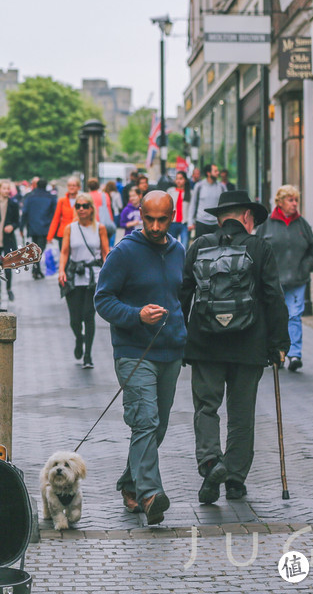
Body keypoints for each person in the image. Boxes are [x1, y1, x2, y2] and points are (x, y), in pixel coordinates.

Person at [180, 190, 289, 505]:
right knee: (242, 414)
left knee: (206, 408)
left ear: (219, 219)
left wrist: (179, 337)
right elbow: (273, 297)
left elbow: (184, 292)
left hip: (204, 343)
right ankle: (234, 477)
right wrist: (279, 343)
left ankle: (212, 462)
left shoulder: (199, 246)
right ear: (247, 217)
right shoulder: (259, 248)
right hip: (248, 345)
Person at [95, 191, 187, 525]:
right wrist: (136, 315)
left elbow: (183, 296)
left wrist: (184, 335)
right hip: (134, 352)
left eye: (163, 219)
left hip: (171, 350)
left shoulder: (178, 251)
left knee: (156, 425)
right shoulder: (124, 253)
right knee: (145, 420)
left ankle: (129, 483)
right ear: (140, 214)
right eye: (150, 218)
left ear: (172, 215)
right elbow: (102, 300)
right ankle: (150, 495)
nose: (156, 226)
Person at [256, 185, 313, 372]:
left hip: (297, 280)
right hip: (273, 281)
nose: (294, 204)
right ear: (280, 202)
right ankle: (277, 353)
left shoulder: (302, 225)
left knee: (294, 315)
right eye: (291, 200)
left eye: (296, 200)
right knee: (274, 317)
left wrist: (305, 268)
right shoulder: (267, 224)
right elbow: (257, 250)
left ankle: (294, 354)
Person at [59, 193, 110, 368]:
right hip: (74, 276)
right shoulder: (70, 228)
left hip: (93, 276)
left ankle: (88, 355)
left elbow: (105, 252)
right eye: (78, 206)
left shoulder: (100, 228)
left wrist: (107, 271)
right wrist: (61, 271)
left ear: (91, 208)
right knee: (75, 319)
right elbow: (65, 252)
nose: (81, 209)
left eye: (85, 206)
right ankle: (79, 338)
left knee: (89, 316)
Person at [22, 178, 56, 279]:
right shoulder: (50, 197)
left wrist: (21, 226)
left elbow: (25, 212)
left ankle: (36, 270)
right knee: (40, 248)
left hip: (33, 226)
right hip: (45, 227)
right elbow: (54, 213)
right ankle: (36, 270)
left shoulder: (30, 196)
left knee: (36, 248)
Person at [188, 164, 227, 239]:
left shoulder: (222, 187)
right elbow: (193, 204)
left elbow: (226, 205)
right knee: (201, 249)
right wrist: (190, 222)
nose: (218, 173)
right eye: (215, 171)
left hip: (217, 224)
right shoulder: (199, 186)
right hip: (201, 223)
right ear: (208, 173)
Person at [47, 176, 81, 248]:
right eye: (69, 185)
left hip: (78, 234)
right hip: (63, 234)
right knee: (64, 257)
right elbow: (56, 219)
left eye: (74, 185)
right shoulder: (62, 201)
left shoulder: (82, 201)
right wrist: (50, 236)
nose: (71, 187)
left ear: (79, 187)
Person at [86, 178, 116, 247]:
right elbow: (108, 210)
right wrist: (110, 221)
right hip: (103, 223)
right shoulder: (104, 195)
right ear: (98, 186)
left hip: (91, 223)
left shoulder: (87, 196)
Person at [166, 171, 191, 248]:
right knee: (171, 245)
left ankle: (183, 260)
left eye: (181, 179)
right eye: (177, 179)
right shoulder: (170, 191)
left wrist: (191, 223)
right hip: (172, 222)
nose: (178, 181)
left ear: (185, 180)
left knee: (184, 245)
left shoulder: (190, 192)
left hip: (185, 223)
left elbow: (191, 209)